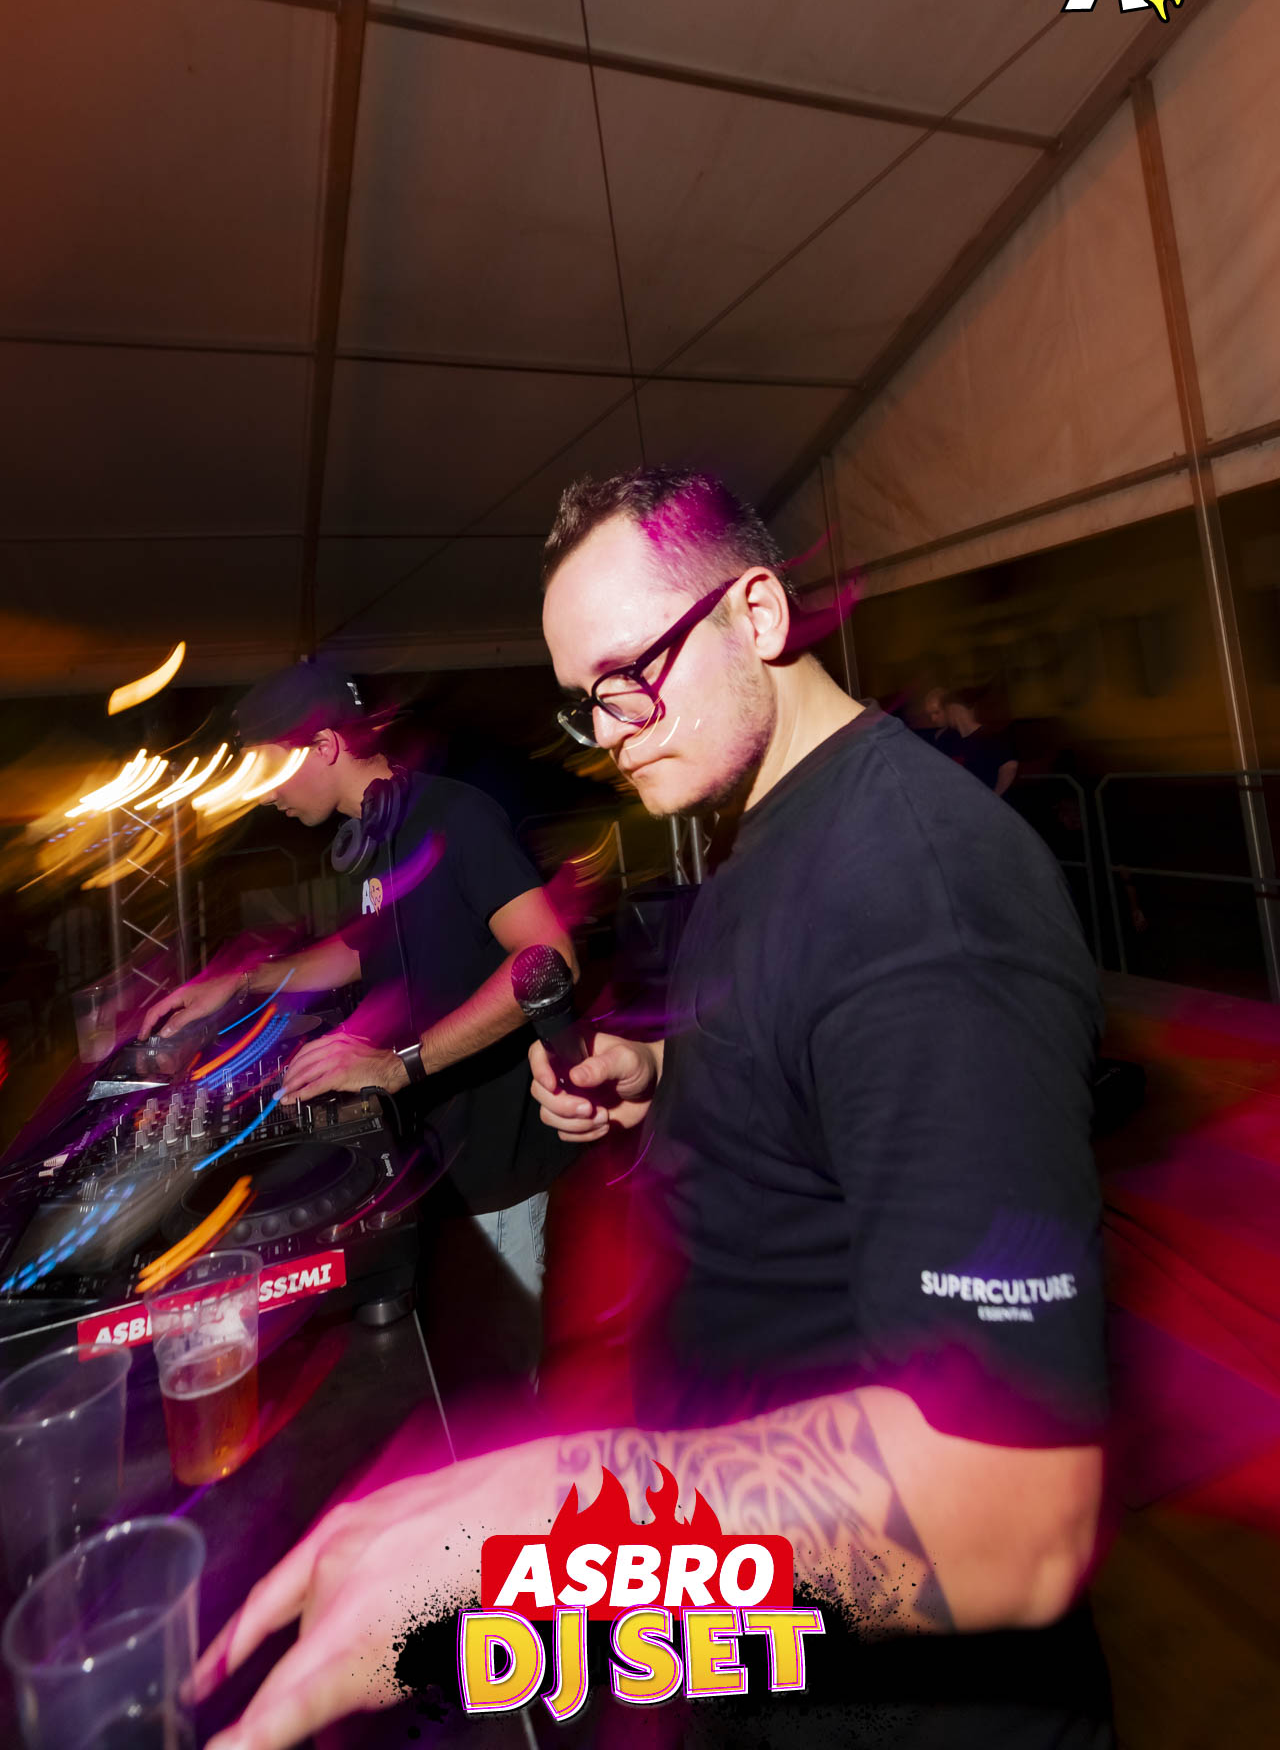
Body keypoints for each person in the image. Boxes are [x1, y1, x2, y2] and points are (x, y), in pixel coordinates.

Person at [198, 471, 1110, 1750]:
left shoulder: (926, 895)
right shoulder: (774, 822)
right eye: (584, 700)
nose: (608, 731)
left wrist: (553, 1527)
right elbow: (825, 1058)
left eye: (630, 675)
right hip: (771, 1622)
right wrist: (666, 1073)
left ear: (757, 613)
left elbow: (1016, 1511)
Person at [140, 659, 577, 1304]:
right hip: (426, 1147)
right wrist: (241, 981)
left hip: (491, 1160)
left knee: (496, 1348)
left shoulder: (456, 815)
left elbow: (550, 958)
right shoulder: (370, 839)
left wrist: (398, 1065)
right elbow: (357, 950)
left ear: (323, 745)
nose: (262, 795)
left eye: (267, 771)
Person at [940, 687, 1018, 795]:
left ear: (953, 709)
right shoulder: (949, 739)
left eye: (946, 711)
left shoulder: (992, 737)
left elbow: (1010, 767)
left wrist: (993, 798)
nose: (945, 716)